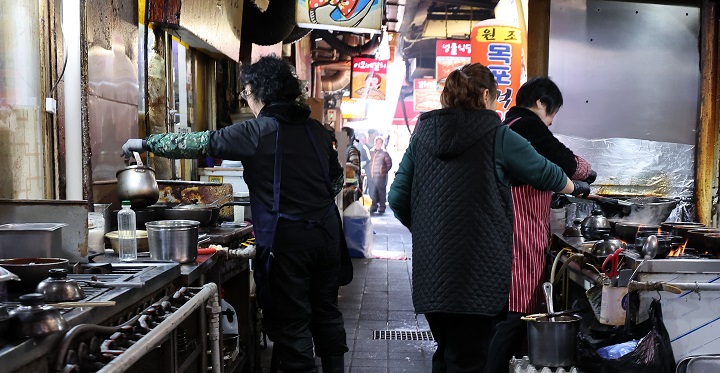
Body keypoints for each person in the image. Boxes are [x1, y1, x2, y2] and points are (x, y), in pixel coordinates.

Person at [122, 55, 348, 373]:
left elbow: (198, 143)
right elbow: (335, 181)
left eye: (246, 91)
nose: (247, 98)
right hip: (326, 237)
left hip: (289, 243)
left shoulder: (258, 131)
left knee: (292, 321)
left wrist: (145, 143)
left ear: (259, 92)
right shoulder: (317, 131)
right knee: (326, 311)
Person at [388, 63, 590, 373]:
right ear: (485, 95)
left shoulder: (422, 133)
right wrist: (576, 186)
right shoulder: (497, 135)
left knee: (448, 353)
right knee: (469, 360)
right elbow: (545, 172)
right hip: (478, 273)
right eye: (496, 97)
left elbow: (397, 198)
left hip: (431, 272)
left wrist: (430, 232)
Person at [484, 77, 597, 372]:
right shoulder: (526, 125)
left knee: (508, 310)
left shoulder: (506, 125)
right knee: (516, 311)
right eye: (552, 114)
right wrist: (588, 172)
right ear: (540, 103)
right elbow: (566, 162)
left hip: (506, 227)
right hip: (519, 229)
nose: (550, 123)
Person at [368, 137, 392, 213]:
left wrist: (383, 171)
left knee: (381, 192)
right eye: (377, 143)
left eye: (380, 143)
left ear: (382, 144)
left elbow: (389, 164)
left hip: (381, 177)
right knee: (372, 192)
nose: (378, 144)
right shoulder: (371, 152)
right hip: (372, 175)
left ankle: (382, 207)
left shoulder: (385, 153)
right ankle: (373, 206)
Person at [341, 127, 361, 208]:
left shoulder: (352, 149)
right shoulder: (345, 149)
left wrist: (344, 165)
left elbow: (356, 166)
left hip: (351, 186)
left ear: (348, 137)